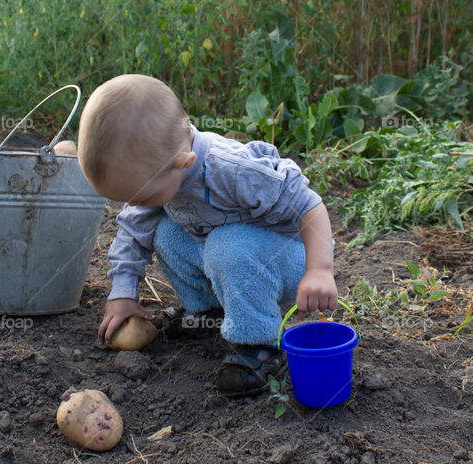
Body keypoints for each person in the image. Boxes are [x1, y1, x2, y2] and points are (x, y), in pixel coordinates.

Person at [77, 74, 338, 396]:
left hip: (292, 259)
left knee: (226, 245)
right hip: (233, 256)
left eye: (141, 197)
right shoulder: (160, 172)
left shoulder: (231, 170)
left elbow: (310, 207)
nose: (133, 204)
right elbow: (133, 230)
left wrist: (319, 271)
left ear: (181, 164)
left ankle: (259, 345)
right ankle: (208, 315)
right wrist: (122, 293)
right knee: (166, 232)